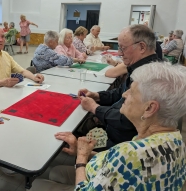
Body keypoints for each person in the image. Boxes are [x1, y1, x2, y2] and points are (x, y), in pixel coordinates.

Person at [30, 61, 186, 191]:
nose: (125, 94)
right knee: (56, 173)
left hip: (96, 181)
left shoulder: (128, 154)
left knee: (37, 184)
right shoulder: (176, 139)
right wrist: (81, 149)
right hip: (107, 176)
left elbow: (121, 161)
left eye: (132, 92)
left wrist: (82, 158)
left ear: (150, 108)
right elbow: (115, 163)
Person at [79, 24, 160, 149]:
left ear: (142, 47)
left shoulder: (149, 76)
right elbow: (119, 93)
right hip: (116, 132)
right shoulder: (139, 67)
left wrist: (94, 107)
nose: (119, 53)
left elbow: (126, 120)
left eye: (122, 48)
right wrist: (97, 95)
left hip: (122, 144)